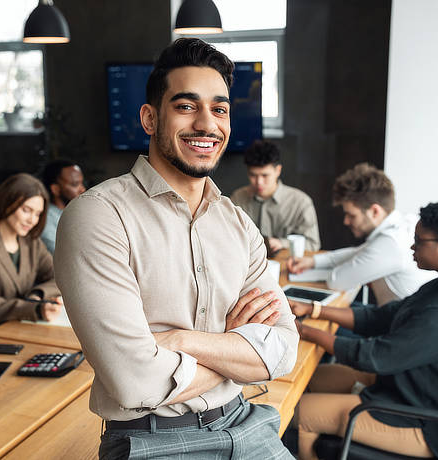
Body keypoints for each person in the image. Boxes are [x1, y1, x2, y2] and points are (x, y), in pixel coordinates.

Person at [54, 38, 298, 459]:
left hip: (245, 422)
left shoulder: (238, 223)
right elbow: (136, 381)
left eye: (219, 109)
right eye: (186, 106)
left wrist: (180, 340)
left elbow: (282, 352)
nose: (207, 124)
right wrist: (234, 347)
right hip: (153, 441)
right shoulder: (98, 216)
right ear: (150, 118)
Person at [296, 201, 438, 459]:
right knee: (310, 379)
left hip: (421, 421)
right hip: (406, 388)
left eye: (419, 241)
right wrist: (314, 310)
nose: (412, 246)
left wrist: (306, 331)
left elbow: (375, 356)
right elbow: (384, 316)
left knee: (297, 412)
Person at [288, 163, 432, 309]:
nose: (346, 221)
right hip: (391, 316)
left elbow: (337, 281)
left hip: (397, 327)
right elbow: (360, 252)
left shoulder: (391, 243)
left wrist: (315, 267)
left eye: (351, 215)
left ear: (375, 211)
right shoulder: (402, 224)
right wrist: (313, 261)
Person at [0, 173, 62, 341]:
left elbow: (60, 276)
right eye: (26, 210)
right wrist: (35, 309)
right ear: (8, 203)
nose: (32, 220)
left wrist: (38, 295)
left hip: (20, 328)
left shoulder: (31, 242)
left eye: (38, 214)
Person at [231, 140, 321, 255]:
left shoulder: (301, 202)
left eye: (265, 175)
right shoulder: (238, 198)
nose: (259, 182)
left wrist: (282, 243)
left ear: (278, 170)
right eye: (253, 175)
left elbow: (313, 244)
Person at [40, 159, 86, 253]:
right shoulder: (46, 218)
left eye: (82, 183)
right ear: (55, 189)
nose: (82, 189)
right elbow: (61, 253)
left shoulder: (78, 213)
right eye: (75, 184)